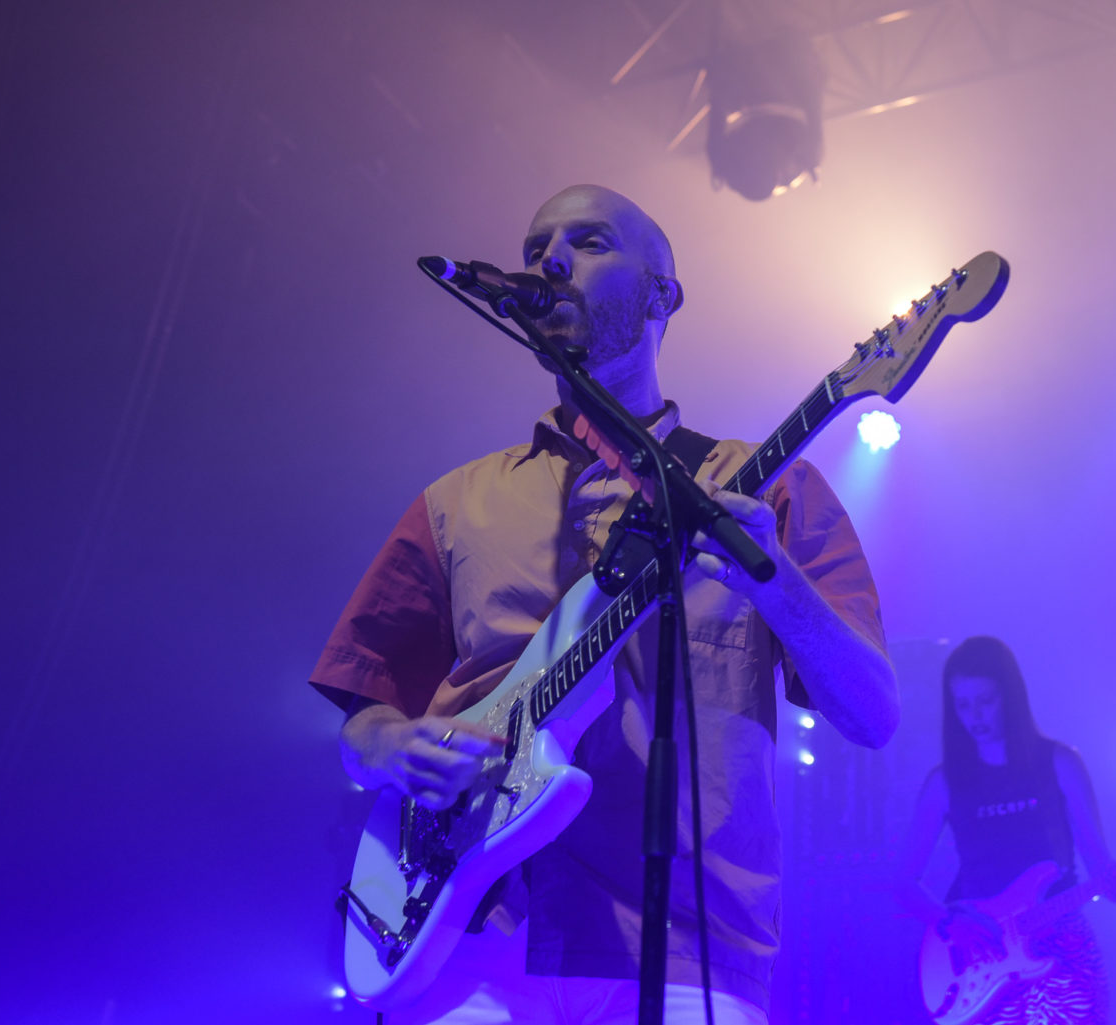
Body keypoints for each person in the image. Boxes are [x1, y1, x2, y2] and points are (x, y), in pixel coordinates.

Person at [310, 184, 899, 1024]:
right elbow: (363, 718)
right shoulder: (455, 502)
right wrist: (391, 747)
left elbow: (872, 712)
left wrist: (773, 576)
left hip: (689, 947)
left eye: (588, 242)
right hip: (471, 943)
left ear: (662, 295)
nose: (550, 260)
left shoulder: (767, 489)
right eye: (536, 246)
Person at [896, 636, 1116, 1025]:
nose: (975, 715)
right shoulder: (945, 782)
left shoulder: (1061, 764)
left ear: (1010, 695)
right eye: (963, 705)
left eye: (985, 700)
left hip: (1062, 944)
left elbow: (1100, 865)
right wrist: (949, 921)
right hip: (984, 954)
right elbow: (903, 882)